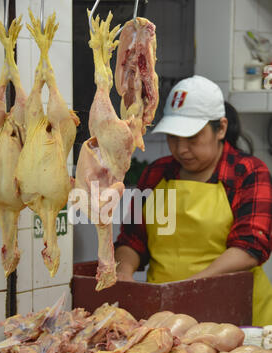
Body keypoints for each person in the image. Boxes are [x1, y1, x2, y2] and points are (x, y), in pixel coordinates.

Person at [114, 75, 272, 327]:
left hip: (238, 317)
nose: (181, 149)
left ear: (220, 128)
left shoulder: (248, 171)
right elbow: (132, 239)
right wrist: (123, 272)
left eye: (192, 138)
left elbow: (251, 247)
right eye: (173, 138)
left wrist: (191, 286)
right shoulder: (156, 173)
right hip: (165, 315)